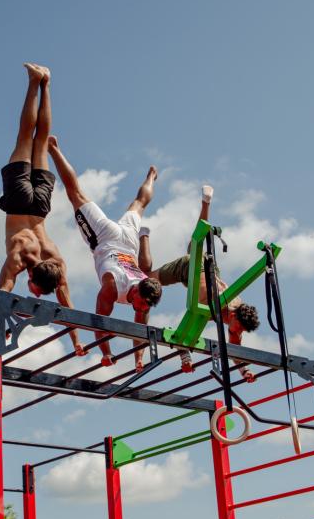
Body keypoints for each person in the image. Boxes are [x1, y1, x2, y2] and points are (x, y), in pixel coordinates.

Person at [0, 64, 86, 357]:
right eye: (33, 288)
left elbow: (68, 305)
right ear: (32, 277)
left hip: (41, 207)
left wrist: (77, 342)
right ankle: (34, 81)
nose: (31, 291)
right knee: (26, 136)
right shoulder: (19, 256)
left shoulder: (56, 263)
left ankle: (46, 82)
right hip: (19, 202)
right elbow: (0, 294)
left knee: (41, 141)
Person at [49, 136, 162, 368]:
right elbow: (100, 322)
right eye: (142, 304)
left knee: (140, 204)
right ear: (137, 290)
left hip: (128, 242)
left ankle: (152, 176)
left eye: (145, 307)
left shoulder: (144, 297)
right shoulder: (112, 286)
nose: (141, 309)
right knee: (75, 194)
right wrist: (107, 353)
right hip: (105, 237)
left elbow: (139, 330)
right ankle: (52, 149)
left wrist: (139, 359)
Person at [136, 185, 261, 363]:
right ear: (234, 317)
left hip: (210, 269)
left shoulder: (237, 306)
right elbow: (186, 331)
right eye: (239, 328)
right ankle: (144, 234)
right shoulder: (210, 309)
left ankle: (206, 203)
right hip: (191, 269)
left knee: (197, 242)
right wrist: (185, 357)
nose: (238, 332)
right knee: (145, 278)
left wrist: (244, 370)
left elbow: (235, 345)